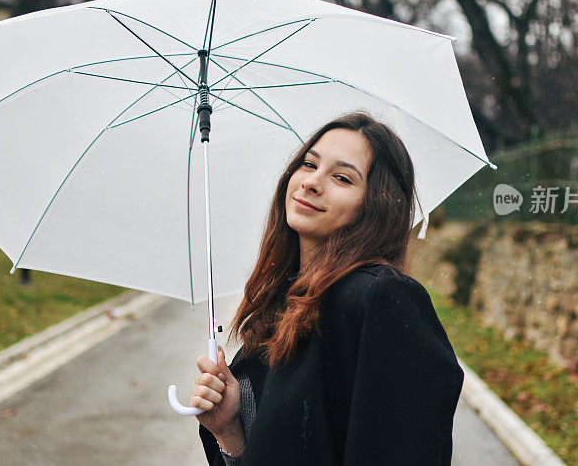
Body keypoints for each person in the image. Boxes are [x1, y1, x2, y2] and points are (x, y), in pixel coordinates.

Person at [190, 112, 464, 465]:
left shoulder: (382, 299)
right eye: (308, 164)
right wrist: (229, 432)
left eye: (342, 177)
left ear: (375, 204)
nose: (311, 182)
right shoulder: (283, 303)